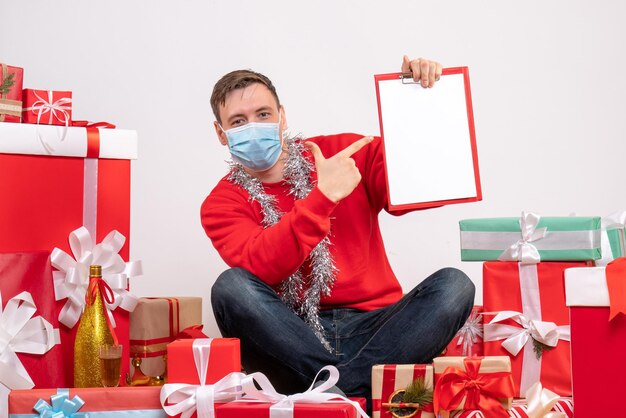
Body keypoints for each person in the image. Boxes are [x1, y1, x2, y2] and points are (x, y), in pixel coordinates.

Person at [201, 56, 475, 408]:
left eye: (263, 114)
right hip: (290, 337)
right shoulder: (221, 203)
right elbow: (264, 264)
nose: (253, 126)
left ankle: (331, 397)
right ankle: (356, 393)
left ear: (282, 116)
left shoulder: (341, 153)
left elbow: (419, 181)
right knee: (231, 287)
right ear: (221, 133)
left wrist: (418, 101)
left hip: (378, 330)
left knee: (455, 285)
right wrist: (323, 197)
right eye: (238, 121)